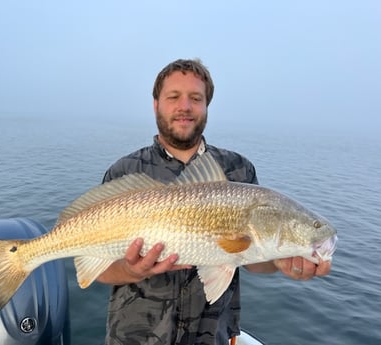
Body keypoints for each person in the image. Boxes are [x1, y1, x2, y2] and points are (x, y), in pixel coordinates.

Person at [97, 59, 331, 345]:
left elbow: (249, 258)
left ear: (206, 106)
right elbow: (97, 269)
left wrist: (282, 262)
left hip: (212, 338)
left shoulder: (238, 170)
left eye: (196, 98)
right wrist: (130, 270)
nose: (185, 106)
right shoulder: (124, 172)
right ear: (156, 104)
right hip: (134, 338)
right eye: (174, 97)